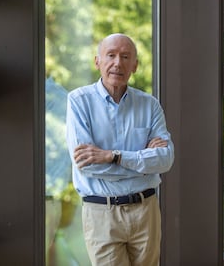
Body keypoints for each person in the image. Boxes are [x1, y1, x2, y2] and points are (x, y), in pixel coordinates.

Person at [65, 33, 174, 266]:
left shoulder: (150, 105)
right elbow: (88, 165)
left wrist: (111, 156)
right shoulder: (78, 102)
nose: (118, 63)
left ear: (134, 65)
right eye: (111, 55)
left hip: (146, 212)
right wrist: (143, 161)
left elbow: (165, 160)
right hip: (102, 213)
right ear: (97, 61)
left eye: (125, 56)